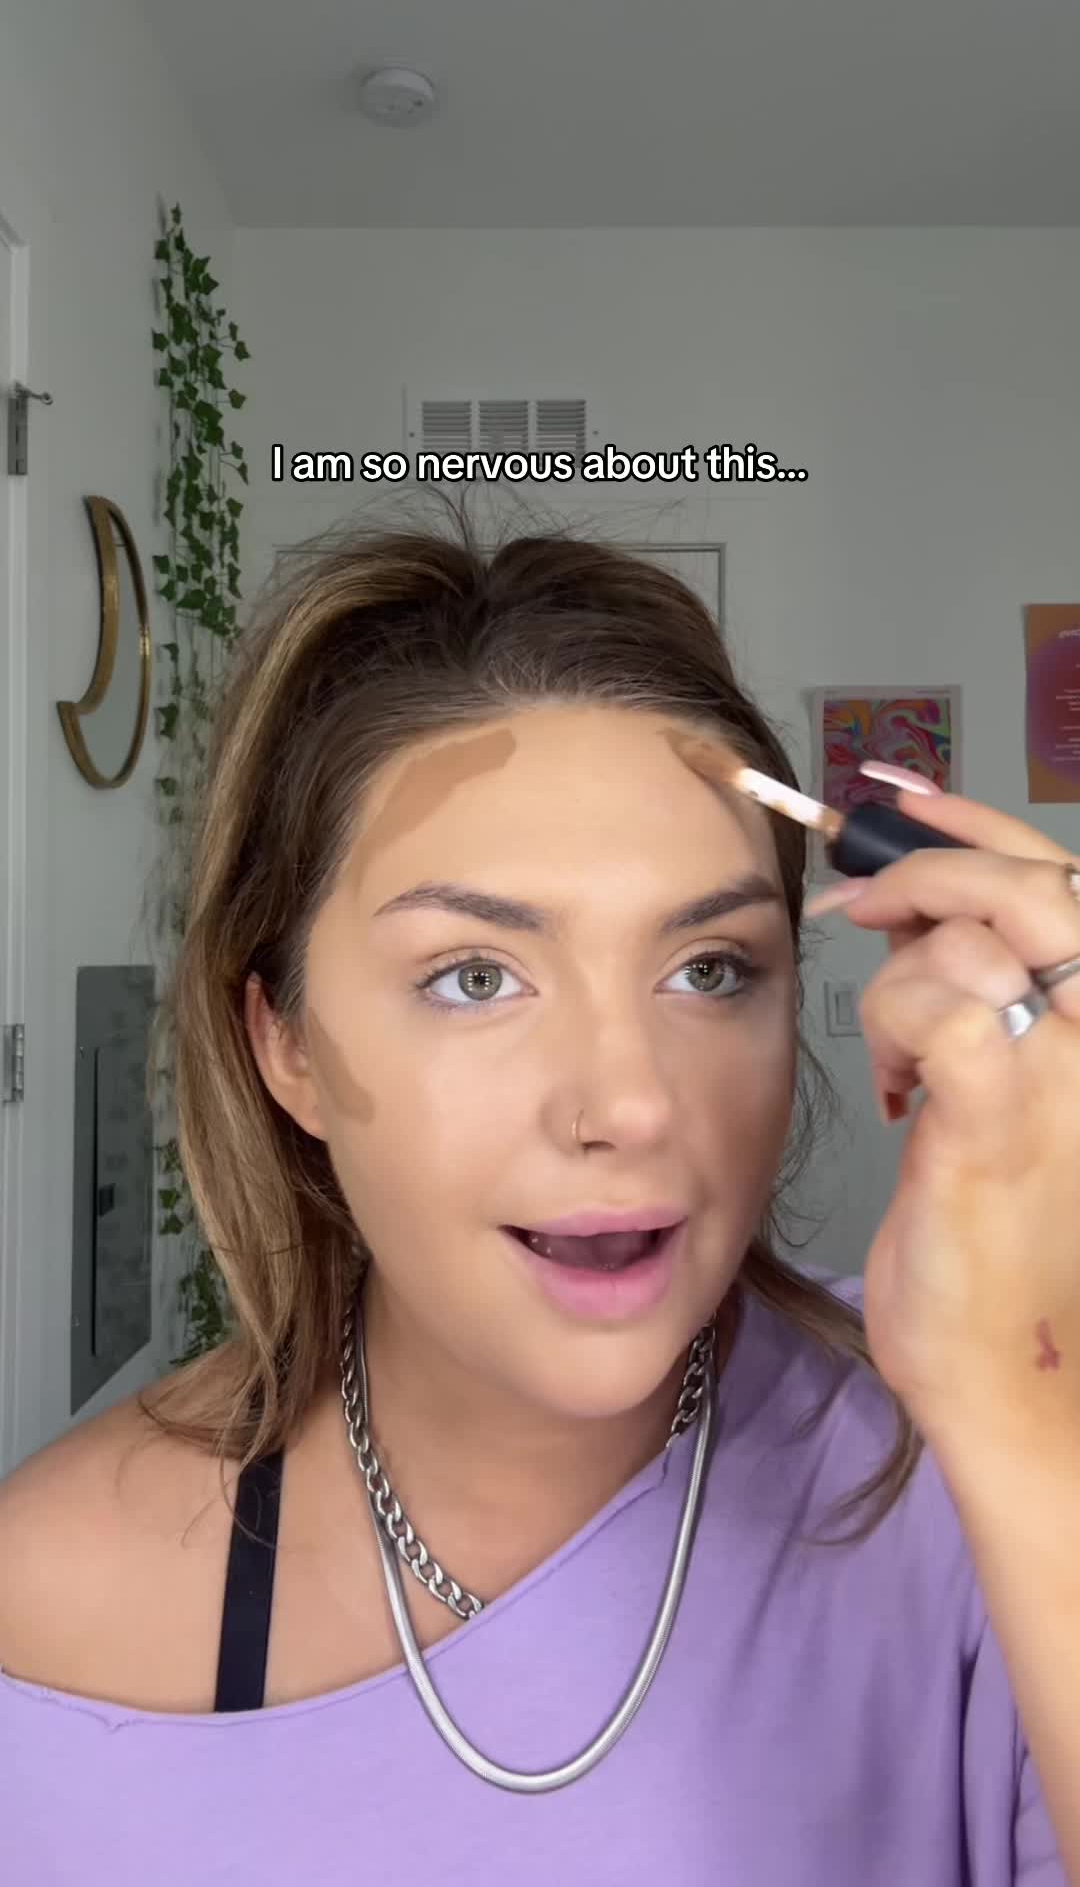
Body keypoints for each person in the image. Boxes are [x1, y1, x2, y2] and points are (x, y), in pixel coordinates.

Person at [1, 505, 1078, 1885]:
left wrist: (1028, 1422)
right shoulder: (50, 1610)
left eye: (709, 969)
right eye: (475, 978)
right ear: (288, 1048)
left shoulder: (981, 1470)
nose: (630, 1105)